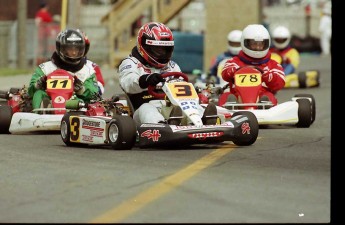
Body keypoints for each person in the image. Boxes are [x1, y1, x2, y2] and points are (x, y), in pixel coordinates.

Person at [118, 22, 216, 125]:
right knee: (146, 109)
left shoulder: (172, 66)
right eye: (158, 49)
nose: (163, 53)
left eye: (166, 50)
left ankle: (201, 121)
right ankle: (160, 126)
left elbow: (181, 87)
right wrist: (145, 80)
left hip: (170, 106)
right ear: (145, 46)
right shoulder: (130, 63)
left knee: (189, 103)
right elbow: (127, 83)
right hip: (142, 109)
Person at [28, 28, 99, 110]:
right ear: (60, 48)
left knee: (80, 101)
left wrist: (81, 89)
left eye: (77, 49)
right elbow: (30, 92)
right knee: (38, 94)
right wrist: (39, 84)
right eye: (70, 49)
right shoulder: (45, 68)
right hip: (49, 101)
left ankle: (75, 117)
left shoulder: (87, 71)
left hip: (73, 103)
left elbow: (94, 96)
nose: (74, 53)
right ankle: (37, 116)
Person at [221, 24, 285, 106]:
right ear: (245, 43)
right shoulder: (234, 61)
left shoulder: (272, 64)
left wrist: (267, 76)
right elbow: (225, 74)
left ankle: (265, 109)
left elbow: (280, 83)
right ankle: (226, 112)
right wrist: (233, 71)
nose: (258, 47)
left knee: (269, 97)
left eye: (260, 44)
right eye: (254, 44)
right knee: (225, 96)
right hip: (237, 99)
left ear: (266, 44)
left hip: (261, 98)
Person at [78, 30, 106, 95]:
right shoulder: (56, 66)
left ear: (85, 49)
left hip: (85, 102)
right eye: (71, 48)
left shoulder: (92, 66)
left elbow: (99, 88)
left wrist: (83, 88)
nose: (74, 52)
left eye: (79, 48)